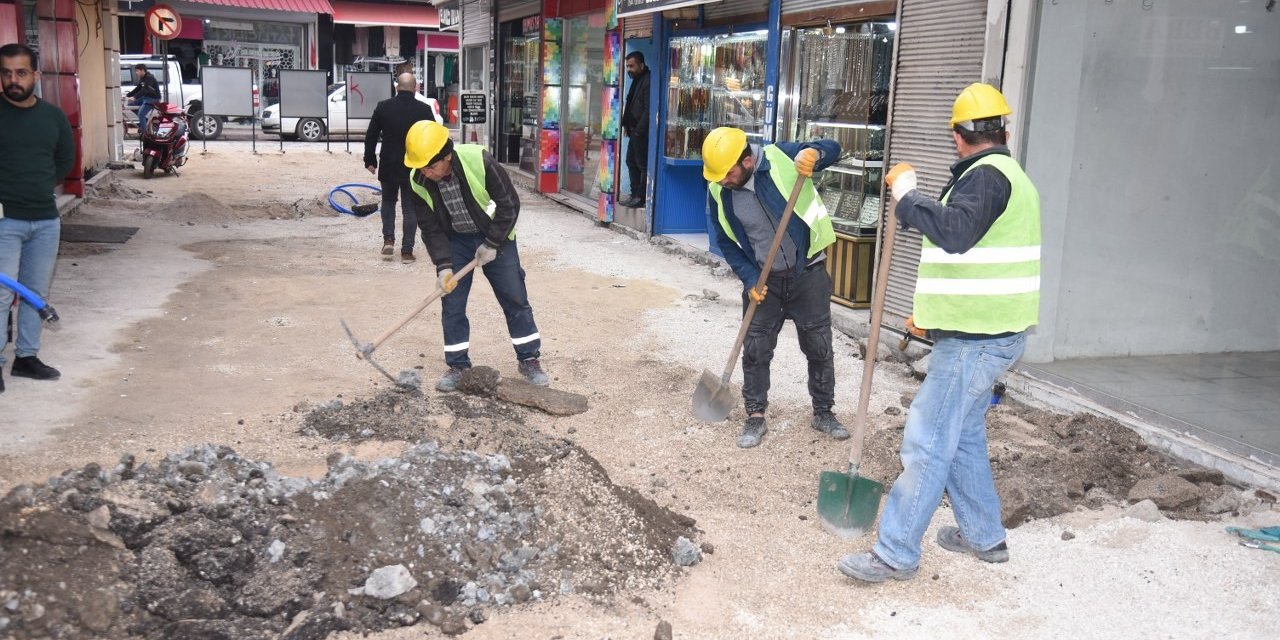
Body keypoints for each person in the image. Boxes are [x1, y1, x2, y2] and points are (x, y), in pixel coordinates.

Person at [837, 83, 1041, 583]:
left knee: (928, 441)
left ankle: (896, 552)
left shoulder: (987, 177)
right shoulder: (1001, 174)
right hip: (982, 332)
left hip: (977, 344)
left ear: (957, 136)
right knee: (964, 435)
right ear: (1004, 130)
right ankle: (984, 535)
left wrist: (907, 197)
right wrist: (933, 315)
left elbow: (954, 231)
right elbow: (976, 255)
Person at [701, 127, 849, 449]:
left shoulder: (782, 157)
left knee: (819, 346)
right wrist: (750, 279)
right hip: (763, 279)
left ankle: (823, 412)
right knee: (755, 349)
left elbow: (835, 147)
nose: (722, 180)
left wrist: (817, 154)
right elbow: (726, 242)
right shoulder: (718, 191)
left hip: (807, 272)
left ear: (748, 160)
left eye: (728, 173)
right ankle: (755, 415)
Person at [402, 121, 550, 391]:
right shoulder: (418, 180)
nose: (425, 172)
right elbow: (431, 229)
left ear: (446, 155)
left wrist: (492, 242)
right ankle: (458, 365)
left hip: (496, 235)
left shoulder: (478, 160)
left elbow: (509, 204)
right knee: (452, 302)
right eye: (420, 166)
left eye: (430, 166)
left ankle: (529, 358)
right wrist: (444, 267)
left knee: (514, 297)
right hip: (455, 241)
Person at [0, 43, 75, 394]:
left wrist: (41, 185)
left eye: (21, 72)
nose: (13, 80)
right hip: (4, 221)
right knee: (1, 296)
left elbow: (64, 159)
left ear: (35, 75)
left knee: (34, 293)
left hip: (45, 219)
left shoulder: (53, 116)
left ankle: (26, 358)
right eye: (6, 73)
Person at [364, 73, 439, 262]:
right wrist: (431, 165)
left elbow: (371, 135)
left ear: (397, 87)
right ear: (415, 88)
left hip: (389, 164)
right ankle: (407, 251)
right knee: (410, 208)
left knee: (388, 202)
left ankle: (388, 240)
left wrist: (370, 160)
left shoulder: (383, 107)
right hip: (414, 166)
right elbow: (431, 138)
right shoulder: (424, 109)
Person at [619, 51, 651, 208]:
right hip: (634, 131)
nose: (629, 69)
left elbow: (648, 109)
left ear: (641, 65)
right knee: (631, 161)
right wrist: (627, 125)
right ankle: (634, 194)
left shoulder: (648, 80)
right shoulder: (637, 79)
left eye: (631, 66)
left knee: (641, 164)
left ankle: (640, 197)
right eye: (627, 66)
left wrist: (638, 131)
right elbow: (631, 103)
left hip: (642, 133)